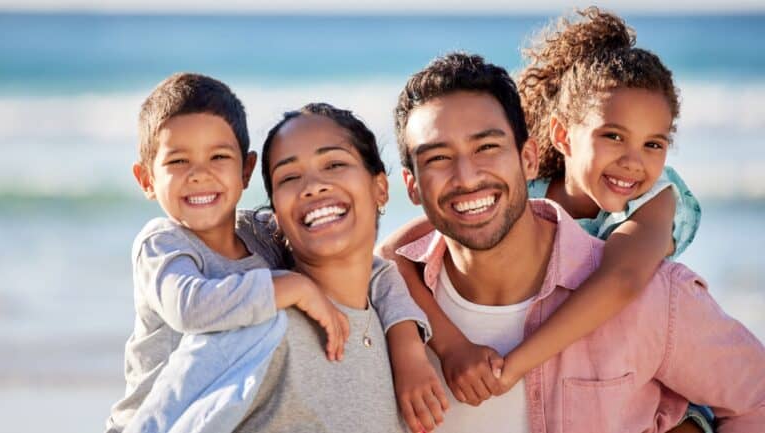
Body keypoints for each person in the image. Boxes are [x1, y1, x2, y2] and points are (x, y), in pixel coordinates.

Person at [382, 50, 765, 433]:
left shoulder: (655, 295)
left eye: (487, 147)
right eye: (438, 158)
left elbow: (756, 399)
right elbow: (386, 256)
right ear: (412, 186)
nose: (466, 177)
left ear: (528, 158)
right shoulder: (384, 308)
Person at [106, 73, 431, 433]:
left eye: (218, 156)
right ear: (146, 180)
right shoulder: (164, 243)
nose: (199, 174)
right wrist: (292, 286)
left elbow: (376, 269)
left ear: (245, 170)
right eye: (178, 162)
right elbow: (190, 308)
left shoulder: (259, 234)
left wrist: (406, 341)